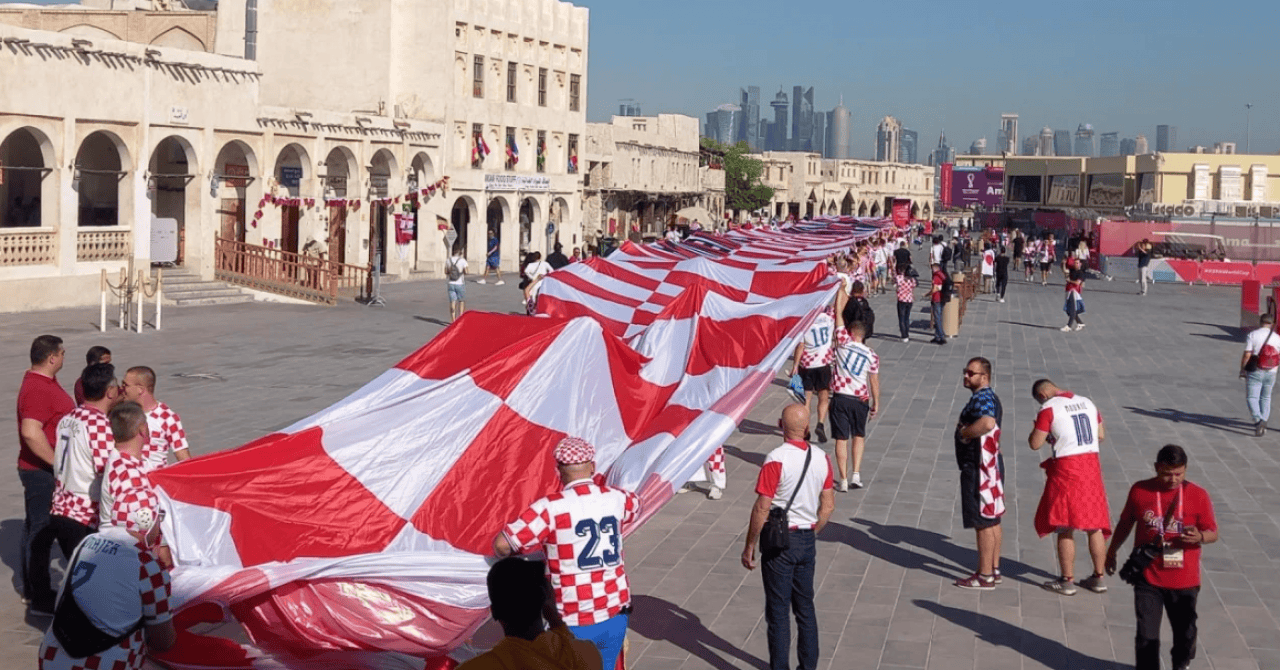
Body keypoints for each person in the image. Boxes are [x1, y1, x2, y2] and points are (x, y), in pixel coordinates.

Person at [494, 438, 639, 670]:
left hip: (572, 618)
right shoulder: (618, 498)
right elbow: (636, 507)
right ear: (592, 466)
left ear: (558, 471)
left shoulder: (549, 508)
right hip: (614, 611)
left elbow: (502, 544)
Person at [1105, 445, 1218, 670]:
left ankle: (1182, 663)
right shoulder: (1140, 490)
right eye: (1167, 473)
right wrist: (1112, 551)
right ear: (1157, 468)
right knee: (1146, 636)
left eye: (1179, 473)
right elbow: (1126, 524)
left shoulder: (1198, 495)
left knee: (1185, 633)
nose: (1173, 479)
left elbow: (1213, 532)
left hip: (1184, 580)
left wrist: (1200, 537)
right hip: (1149, 577)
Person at [741, 403, 834, 670]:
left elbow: (762, 507)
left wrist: (750, 546)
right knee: (806, 609)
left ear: (781, 426)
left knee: (778, 613)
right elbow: (828, 505)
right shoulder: (821, 457)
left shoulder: (775, 459)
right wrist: (811, 531)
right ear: (806, 428)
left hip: (780, 544)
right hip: (806, 540)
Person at [35, 503, 176, 670]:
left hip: (52, 656)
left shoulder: (88, 541)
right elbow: (163, 641)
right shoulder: (147, 563)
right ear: (149, 523)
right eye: (159, 519)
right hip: (107, 663)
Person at [29, 363, 120, 614]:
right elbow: (107, 473)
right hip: (83, 514)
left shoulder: (69, 419)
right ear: (110, 391)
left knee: (81, 581)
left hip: (61, 506)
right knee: (93, 587)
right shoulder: (99, 424)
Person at [1028, 379, 1112, 596]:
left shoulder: (1048, 409)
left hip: (1067, 470)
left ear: (1043, 395)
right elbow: (1100, 435)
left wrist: (1044, 433)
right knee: (1095, 525)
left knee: (1065, 524)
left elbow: (1034, 443)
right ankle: (1099, 577)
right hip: (1091, 467)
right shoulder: (1087, 402)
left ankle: (1067, 580)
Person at [457, 557, 602, 670]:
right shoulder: (587, 654)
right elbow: (570, 648)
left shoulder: (477, 667)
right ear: (544, 602)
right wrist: (554, 619)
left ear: (494, 612)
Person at [16, 335, 74, 605]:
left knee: (37, 530)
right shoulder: (38, 388)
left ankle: (34, 588)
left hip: (41, 470)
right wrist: (56, 464)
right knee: (41, 533)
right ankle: (39, 596)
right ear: (52, 357)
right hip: (40, 472)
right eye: (62, 353)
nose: (63, 357)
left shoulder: (42, 383)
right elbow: (30, 432)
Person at [953, 357, 1005, 589]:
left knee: (982, 522)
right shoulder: (989, 396)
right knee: (992, 519)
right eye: (964, 371)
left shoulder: (983, 397)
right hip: (990, 466)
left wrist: (965, 434)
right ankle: (993, 569)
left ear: (984, 376)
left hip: (979, 467)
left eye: (970, 373)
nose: (965, 376)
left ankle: (984, 576)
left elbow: (986, 423)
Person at [830, 293, 879, 492]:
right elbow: (874, 380)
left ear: (850, 332)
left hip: (841, 396)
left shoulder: (842, 342)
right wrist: (877, 403)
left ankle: (842, 478)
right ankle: (856, 474)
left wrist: (840, 290)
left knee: (841, 439)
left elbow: (838, 315)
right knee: (859, 436)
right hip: (861, 398)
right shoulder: (872, 355)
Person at [120, 366, 191, 471]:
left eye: (125, 385)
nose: (121, 389)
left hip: (155, 481)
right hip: (129, 480)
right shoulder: (121, 413)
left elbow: (184, 459)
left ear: (140, 389)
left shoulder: (168, 418)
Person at [789, 306, 834, 444]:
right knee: (823, 397)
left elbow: (800, 346)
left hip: (807, 365)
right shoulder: (828, 319)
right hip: (823, 363)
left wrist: (795, 365)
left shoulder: (805, 321)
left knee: (806, 400)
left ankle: (805, 429)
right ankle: (820, 423)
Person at [1240, 313, 1279, 436]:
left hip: (1255, 370)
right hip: (1272, 371)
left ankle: (1258, 420)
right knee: (1266, 397)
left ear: (1260, 322)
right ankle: (1264, 422)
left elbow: (1247, 354)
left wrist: (1243, 369)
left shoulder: (1253, 335)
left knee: (1252, 397)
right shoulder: (1277, 338)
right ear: (1271, 324)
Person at [1061, 253, 1086, 332]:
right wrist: (1064, 263)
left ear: (1080, 264)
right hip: (1068, 290)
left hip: (1074, 291)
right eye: (1075, 263)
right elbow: (1065, 270)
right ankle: (1080, 323)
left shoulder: (1081, 273)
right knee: (1069, 311)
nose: (1076, 264)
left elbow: (1078, 283)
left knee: (1071, 309)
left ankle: (1068, 326)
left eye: (1077, 263)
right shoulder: (1072, 270)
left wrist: (1069, 281)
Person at [894, 262, 917, 343]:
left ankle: (904, 335)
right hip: (909, 299)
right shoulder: (912, 279)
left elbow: (896, 284)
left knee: (901, 318)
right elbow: (914, 286)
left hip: (901, 299)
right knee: (907, 318)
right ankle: (907, 333)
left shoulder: (899, 278)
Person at [446, 243, 468, 322]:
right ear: (460, 252)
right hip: (460, 283)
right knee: (461, 301)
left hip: (451, 283)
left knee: (452, 301)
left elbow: (446, 271)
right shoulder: (462, 261)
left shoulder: (448, 260)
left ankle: (453, 319)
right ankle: (460, 318)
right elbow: (467, 272)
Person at [929, 263, 947, 345]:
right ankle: (937, 336)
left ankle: (941, 336)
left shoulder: (936, 276)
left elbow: (935, 288)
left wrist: (927, 294)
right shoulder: (942, 275)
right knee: (939, 317)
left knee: (937, 318)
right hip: (942, 297)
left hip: (937, 298)